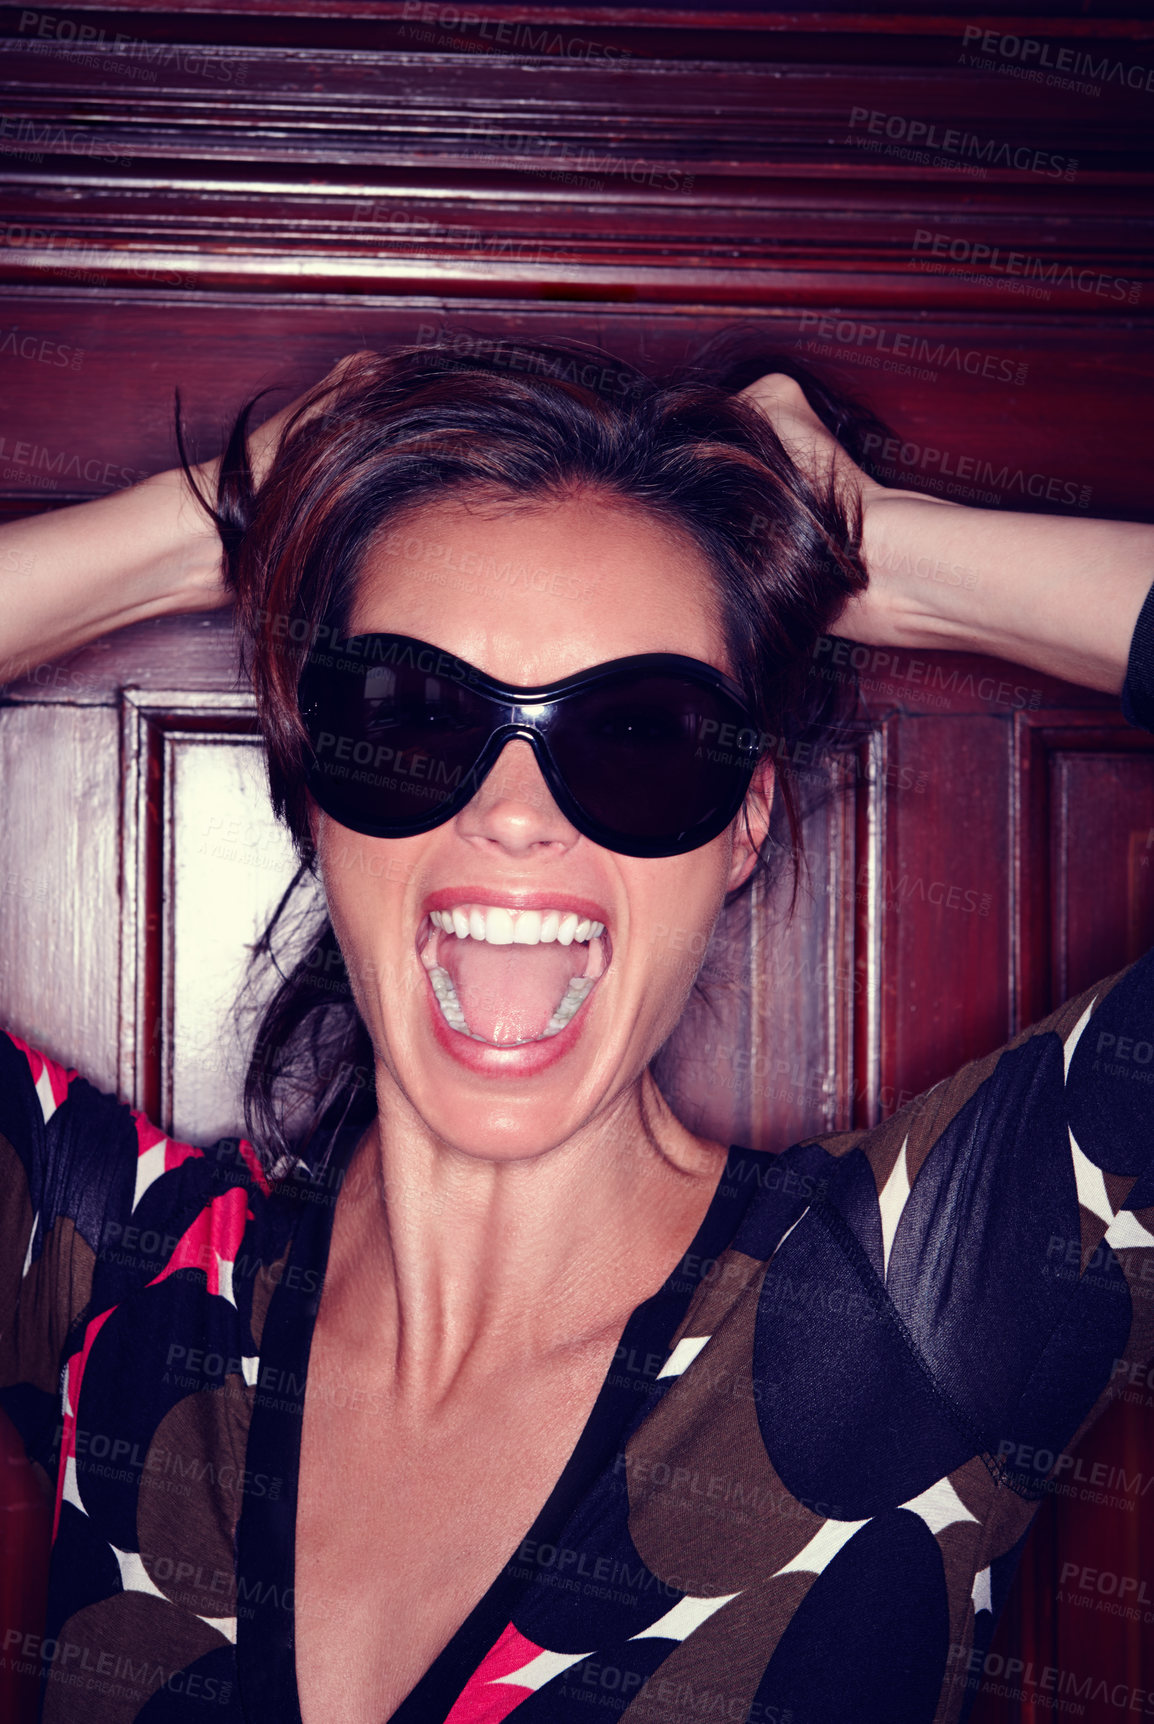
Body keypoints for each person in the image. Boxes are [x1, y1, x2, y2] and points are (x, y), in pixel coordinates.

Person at [1, 340, 1152, 1724]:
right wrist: (210, 531)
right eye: (412, 717)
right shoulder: (115, 1279)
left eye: (642, 733)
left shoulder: (903, 1315)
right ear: (311, 786)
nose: (515, 810)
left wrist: (871, 554)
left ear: (745, 823)